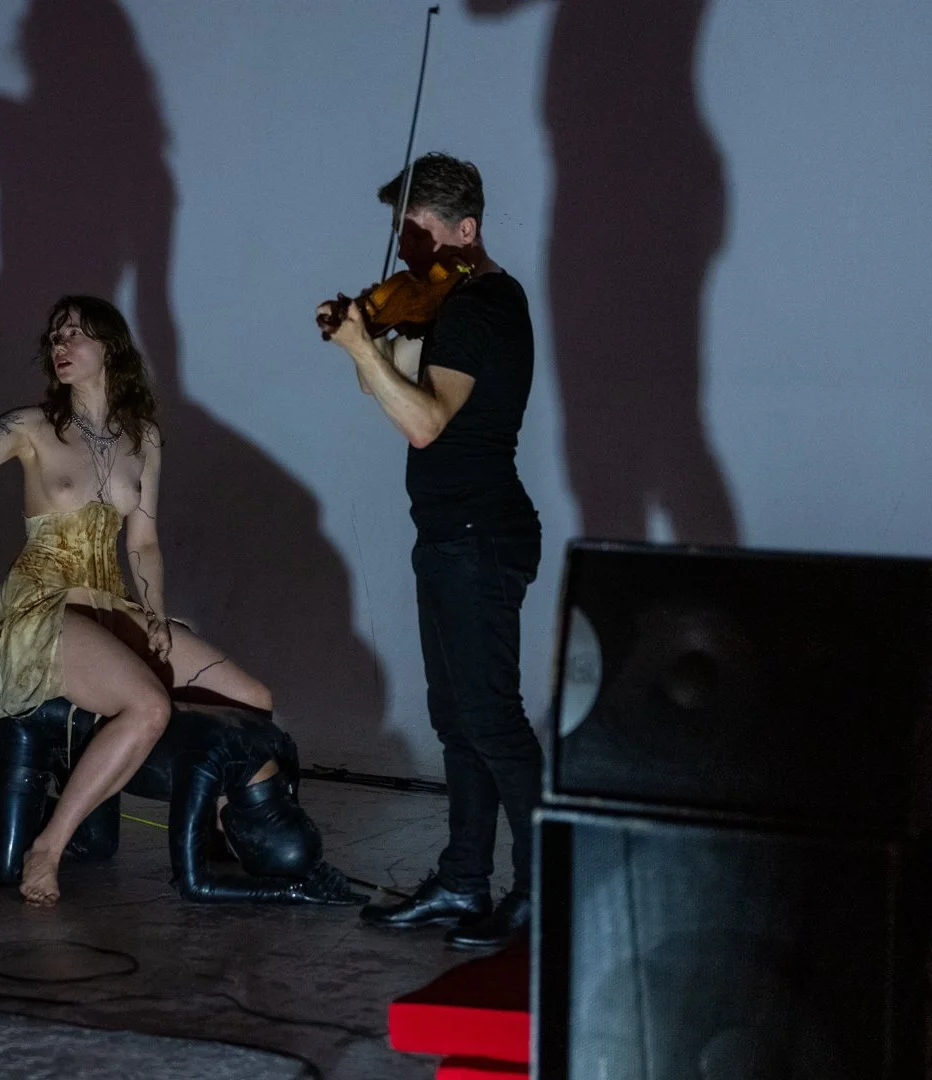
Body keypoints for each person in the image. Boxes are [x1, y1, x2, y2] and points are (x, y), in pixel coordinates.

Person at [0, 295, 280, 906]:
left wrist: (156, 614)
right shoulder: (31, 426)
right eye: (54, 335)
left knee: (252, 699)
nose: (60, 344)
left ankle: (221, 831)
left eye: (75, 333)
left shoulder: (143, 438)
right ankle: (48, 847)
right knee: (148, 707)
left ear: (111, 348)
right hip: (42, 604)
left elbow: (142, 543)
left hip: (111, 603)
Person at [318, 153, 542, 949]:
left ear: (464, 230)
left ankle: (543, 893)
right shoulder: (448, 304)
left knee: (492, 719)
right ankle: (463, 880)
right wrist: (369, 337)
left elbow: (423, 423)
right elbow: (386, 387)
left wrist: (361, 345)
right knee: (457, 719)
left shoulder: (481, 307)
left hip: (480, 534)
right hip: (451, 534)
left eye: (414, 230)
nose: (404, 248)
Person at [0, 695, 368, 905]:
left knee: (95, 845)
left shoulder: (278, 747)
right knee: (6, 866)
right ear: (238, 829)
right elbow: (193, 885)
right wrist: (290, 892)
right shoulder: (208, 765)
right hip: (38, 716)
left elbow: (291, 808)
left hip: (89, 743)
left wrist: (310, 867)